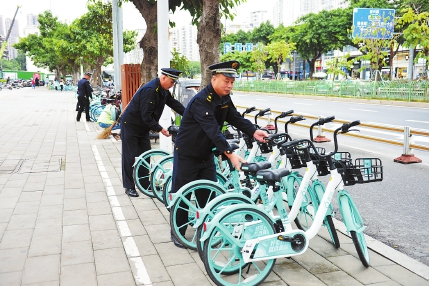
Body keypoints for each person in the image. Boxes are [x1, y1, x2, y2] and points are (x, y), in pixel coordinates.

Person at [169, 60, 269, 248]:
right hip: (187, 154)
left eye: (232, 82)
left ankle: (207, 229)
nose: (229, 85)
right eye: (226, 81)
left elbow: (234, 118)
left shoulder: (224, 98)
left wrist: (254, 131)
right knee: (182, 194)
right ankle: (177, 232)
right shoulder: (201, 100)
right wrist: (230, 154)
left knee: (207, 196)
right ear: (214, 79)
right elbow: (212, 130)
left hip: (205, 154)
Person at [120, 68, 185, 198]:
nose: (172, 85)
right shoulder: (150, 90)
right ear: (164, 78)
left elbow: (174, 104)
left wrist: (189, 114)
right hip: (131, 125)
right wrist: (160, 129)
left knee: (145, 156)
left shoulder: (163, 91)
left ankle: (144, 184)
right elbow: (146, 116)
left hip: (143, 127)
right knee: (130, 156)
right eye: (172, 82)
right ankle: (129, 186)